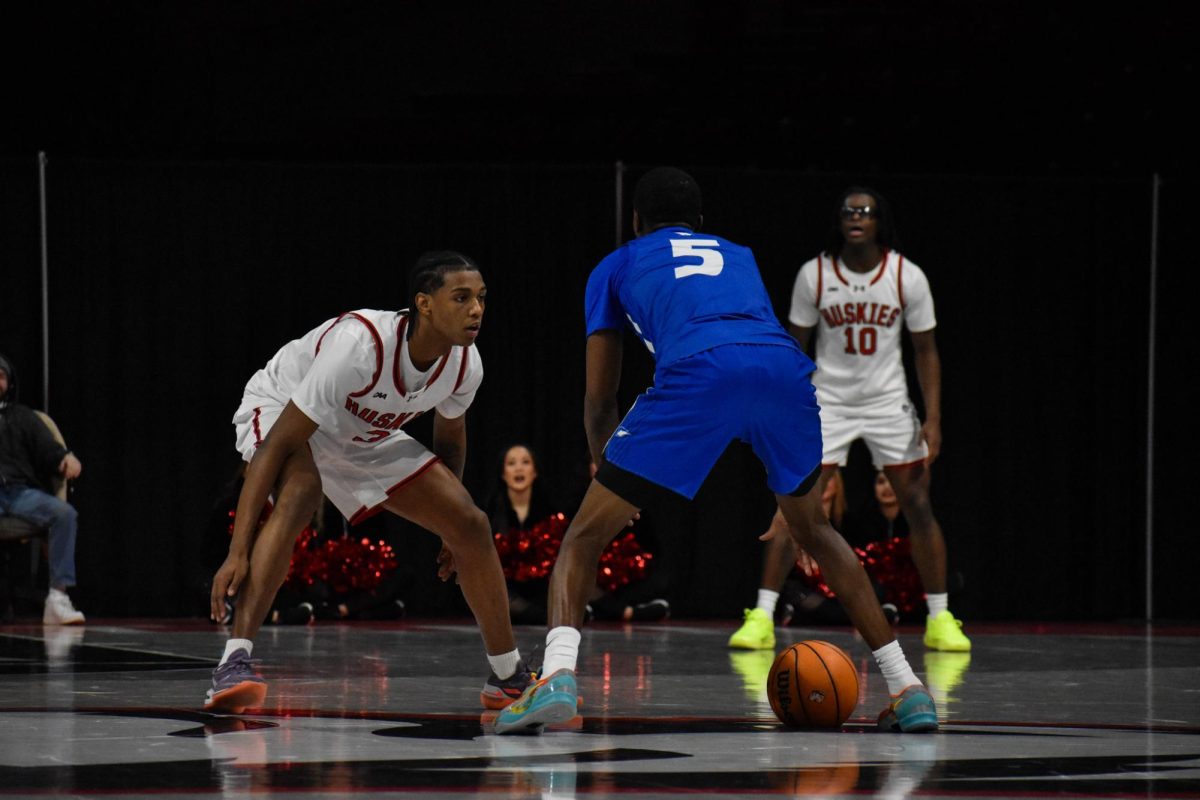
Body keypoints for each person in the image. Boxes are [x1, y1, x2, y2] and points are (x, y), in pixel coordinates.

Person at [495, 167, 938, 734]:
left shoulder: (617, 264)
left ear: (636, 223)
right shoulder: (739, 252)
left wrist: (613, 474)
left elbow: (600, 399)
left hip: (700, 371)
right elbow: (751, 345)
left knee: (582, 537)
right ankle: (908, 687)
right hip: (783, 370)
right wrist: (794, 493)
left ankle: (556, 678)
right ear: (700, 222)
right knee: (818, 533)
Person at [204, 251, 533, 713]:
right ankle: (232, 663)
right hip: (282, 406)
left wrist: (448, 526)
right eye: (461, 298)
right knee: (300, 493)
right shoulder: (360, 347)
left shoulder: (465, 365)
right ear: (424, 303)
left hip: (359, 430)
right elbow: (277, 445)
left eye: (481, 297)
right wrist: (236, 551)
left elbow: (451, 440)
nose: (476, 309)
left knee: (472, 524)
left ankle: (507, 678)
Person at [728, 187, 970, 654]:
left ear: (880, 221)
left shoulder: (906, 275)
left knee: (917, 505)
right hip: (829, 400)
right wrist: (787, 409)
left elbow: (926, 350)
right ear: (838, 221)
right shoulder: (814, 274)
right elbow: (794, 346)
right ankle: (762, 613)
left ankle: (941, 617)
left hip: (887, 401)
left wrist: (934, 417)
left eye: (865, 211)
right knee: (795, 504)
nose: (854, 218)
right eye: (847, 211)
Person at [487, 443, 669, 624]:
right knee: (497, 594)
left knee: (575, 582)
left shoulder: (550, 511)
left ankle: (622, 612)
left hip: (542, 587)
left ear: (535, 471)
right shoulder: (490, 514)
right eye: (511, 463)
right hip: (506, 587)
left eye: (525, 462)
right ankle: (550, 618)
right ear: (503, 473)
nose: (519, 468)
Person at [0, 353, 85, 625]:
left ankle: (58, 598)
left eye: (0, 376)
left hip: (19, 494)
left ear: (8, 382)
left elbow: (48, 448)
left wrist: (64, 458)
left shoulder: (23, 417)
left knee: (64, 514)